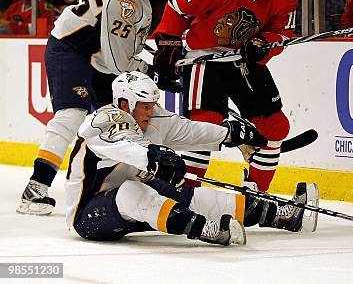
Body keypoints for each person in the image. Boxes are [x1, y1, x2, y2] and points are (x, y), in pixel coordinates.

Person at [17, 0, 178, 216]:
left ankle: (120, 179)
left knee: (123, 118)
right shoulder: (122, 0)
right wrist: (151, 73)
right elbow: (119, 63)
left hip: (98, 58)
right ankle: (36, 187)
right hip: (70, 48)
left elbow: (123, 51)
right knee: (72, 113)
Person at [66, 71, 318, 244]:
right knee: (132, 190)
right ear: (124, 104)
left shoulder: (153, 118)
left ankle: (283, 215)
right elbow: (126, 147)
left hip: (141, 208)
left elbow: (189, 131)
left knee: (202, 197)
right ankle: (205, 230)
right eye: (144, 106)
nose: (150, 111)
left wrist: (230, 135)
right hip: (89, 215)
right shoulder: (102, 121)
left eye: (153, 104)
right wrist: (153, 156)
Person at [152, 0, 301, 193]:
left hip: (243, 59)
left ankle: (257, 193)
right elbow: (177, 7)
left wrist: (263, 44)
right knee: (204, 127)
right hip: (205, 57)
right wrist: (168, 44)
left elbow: (282, 34)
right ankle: (183, 194)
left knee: (276, 127)